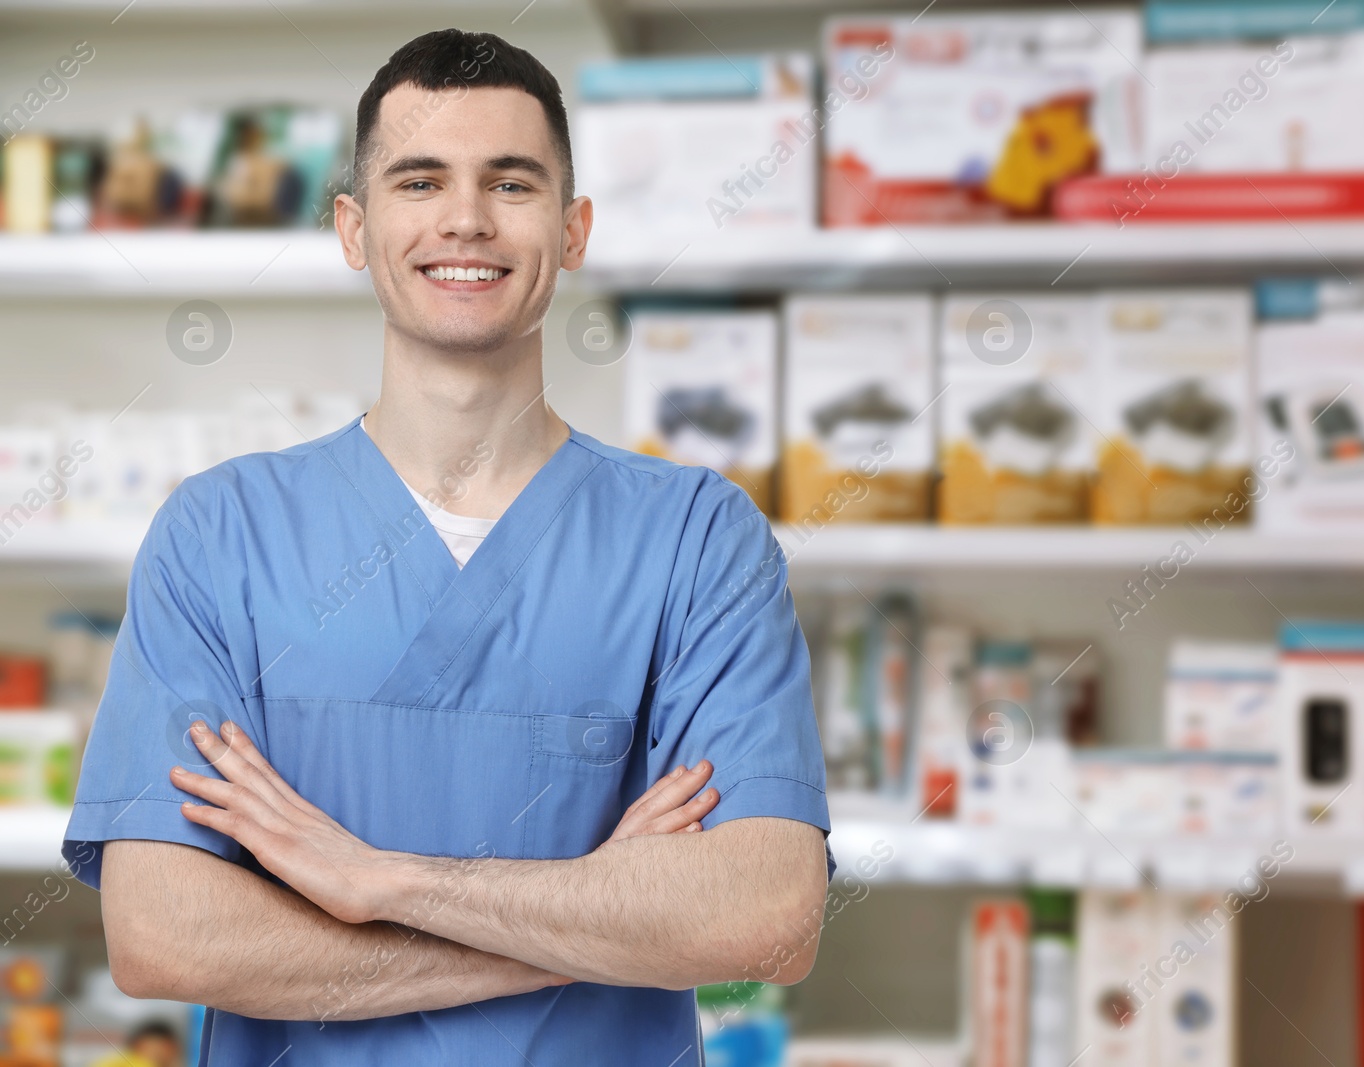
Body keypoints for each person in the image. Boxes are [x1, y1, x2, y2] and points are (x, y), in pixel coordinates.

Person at [62, 28, 831, 1065]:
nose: (464, 218)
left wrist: (384, 880)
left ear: (573, 230)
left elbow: (765, 913)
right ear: (352, 225)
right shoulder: (220, 536)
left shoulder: (697, 538)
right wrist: (584, 923)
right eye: (419, 180)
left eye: (511, 184)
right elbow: (162, 935)